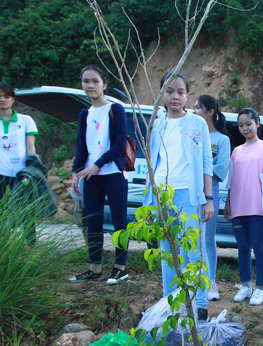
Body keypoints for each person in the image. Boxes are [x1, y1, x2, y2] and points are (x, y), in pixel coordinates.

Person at [145, 71, 215, 321]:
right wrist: (150, 202)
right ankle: (170, 300)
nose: (175, 96)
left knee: (195, 250)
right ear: (161, 93)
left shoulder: (197, 124)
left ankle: (202, 303)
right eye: (169, 91)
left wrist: (208, 199)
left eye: (180, 92)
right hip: (162, 195)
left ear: (187, 95)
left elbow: (207, 161)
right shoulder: (157, 123)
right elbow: (152, 163)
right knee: (168, 249)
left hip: (189, 193)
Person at [69, 65, 130, 284]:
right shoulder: (84, 114)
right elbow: (81, 147)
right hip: (90, 176)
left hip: (113, 172)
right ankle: (94, 268)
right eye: (86, 81)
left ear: (104, 85)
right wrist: (76, 172)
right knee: (92, 221)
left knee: (119, 221)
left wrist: (97, 164)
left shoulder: (116, 109)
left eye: (95, 81)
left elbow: (119, 144)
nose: (90, 85)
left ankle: (120, 267)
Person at [224, 108, 263, 306]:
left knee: (260, 248)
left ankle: (261, 287)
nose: (245, 128)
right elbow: (231, 182)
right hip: (238, 205)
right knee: (242, 248)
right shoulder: (236, 151)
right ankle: (245, 285)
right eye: (241, 125)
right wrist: (227, 203)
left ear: (257, 123)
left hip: (258, 205)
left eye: (248, 124)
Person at [0, 82, 38, 215]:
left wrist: (31, 170)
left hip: (20, 171)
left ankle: (28, 237)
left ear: (13, 98)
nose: (2, 99)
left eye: (6, 96)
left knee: (25, 211)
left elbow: (30, 148)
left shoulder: (26, 120)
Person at [194, 95, 230, 301]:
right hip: (189, 189)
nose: (194, 111)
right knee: (189, 236)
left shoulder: (222, 140)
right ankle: (193, 281)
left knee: (207, 239)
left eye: (198, 108)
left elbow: (221, 169)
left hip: (211, 191)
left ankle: (211, 283)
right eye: (193, 107)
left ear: (210, 112)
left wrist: (199, 170)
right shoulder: (191, 135)